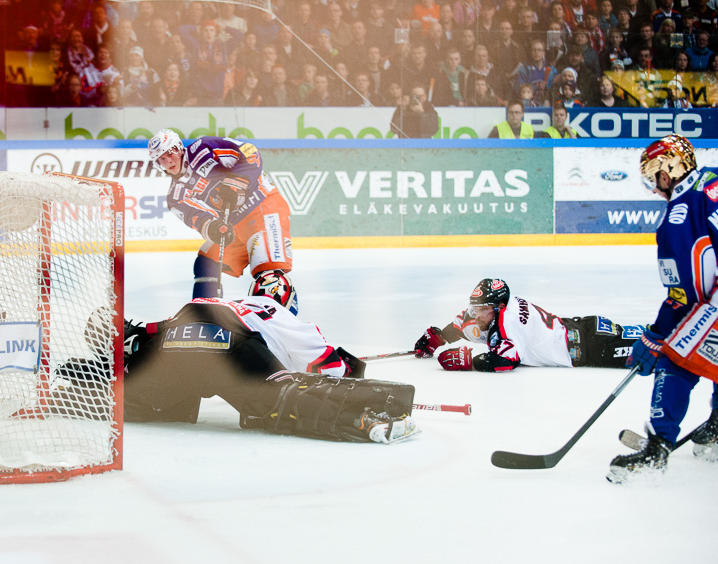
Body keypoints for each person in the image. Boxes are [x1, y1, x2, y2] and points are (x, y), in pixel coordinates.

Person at [53, 277, 419, 444]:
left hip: (184, 326)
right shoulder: (285, 315)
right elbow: (331, 370)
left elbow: (153, 332)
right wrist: (346, 368)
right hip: (231, 345)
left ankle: (62, 393)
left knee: (141, 399)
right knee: (281, 402)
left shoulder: (230, 302)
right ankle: (365, 420)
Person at [608, 134, 718, 483]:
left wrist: (656, 335)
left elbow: (685, 296)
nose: (656, 189)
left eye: (653, 179)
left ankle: (657, 448)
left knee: (678, 352)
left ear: (666, 172)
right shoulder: (713, 179)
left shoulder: (677, 219)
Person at [147, 129, 294, 300]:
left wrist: (237, 182)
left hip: (263, 207)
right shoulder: (175, 196)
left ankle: (276, 321)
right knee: (207, 261)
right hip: (234, 226)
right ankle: (206, 312)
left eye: (170, 152)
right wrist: (213, 227)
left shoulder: (204, 148)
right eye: (162, 158)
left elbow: (249, 152)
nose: (168, 160)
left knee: (269, 277)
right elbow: (198, 218)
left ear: (179, 147)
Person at [413, 278, 644, 372]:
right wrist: (440, 337)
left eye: (483, 309)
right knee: (653, 339)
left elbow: (505, 362)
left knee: (657, 351)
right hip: (585, 329)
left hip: (594, 348)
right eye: (476, 308)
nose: (477, 314)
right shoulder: (498, 311)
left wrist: (469, 362)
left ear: (498, 306)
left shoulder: (507, 321)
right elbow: (465, 322)